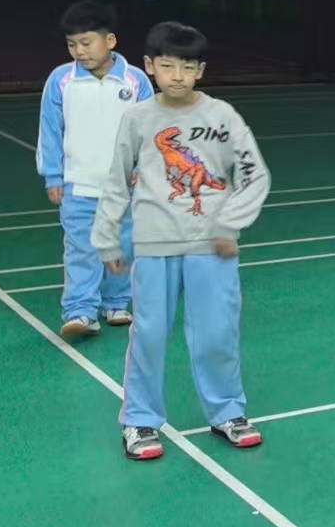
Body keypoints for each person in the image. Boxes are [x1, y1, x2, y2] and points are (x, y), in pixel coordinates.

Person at [92, 22, 271, 461]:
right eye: (168, 66)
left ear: (201, 70)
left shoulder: (222, 116)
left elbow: (254, 174)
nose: (177, 76)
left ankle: (228, 412)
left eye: (187, 68)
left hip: (213, 247)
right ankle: (139, 420)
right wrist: (107, 237)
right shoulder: (137, 119)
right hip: (155, 244)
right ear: (149, 66)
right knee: (150, 335)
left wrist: (230, 224)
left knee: (217, 333)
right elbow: (116, 180)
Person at [38, 0, 153, 339]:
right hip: (77, 187)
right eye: (72, 44)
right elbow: (50, 130)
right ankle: (80, 311)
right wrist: (53, 176)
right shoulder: (61, 80)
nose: (79, 51)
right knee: (82, 250)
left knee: (123, 247)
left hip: (124, 188)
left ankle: (116, 303)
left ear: (110, 40)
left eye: (86, 43)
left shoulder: (135, 81)